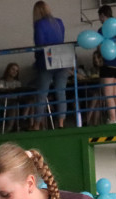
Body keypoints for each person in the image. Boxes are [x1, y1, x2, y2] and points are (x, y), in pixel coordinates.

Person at [31, 2, 69, 130]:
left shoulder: (39, 24)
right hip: (62, 57)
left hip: (45, 60)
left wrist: (37, 59)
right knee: (61, 92)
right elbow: (61, 39)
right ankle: (61, 123)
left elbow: (39, 43)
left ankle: (36, 124)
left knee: (42, 93)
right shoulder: (59, 22)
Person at [97, 5, 116, 125]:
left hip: (108, 65)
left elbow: (99, 47)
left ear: (103, 15)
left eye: (100, 17)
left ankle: (112, 119)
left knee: (109, 95)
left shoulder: (102, 30)